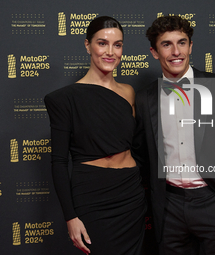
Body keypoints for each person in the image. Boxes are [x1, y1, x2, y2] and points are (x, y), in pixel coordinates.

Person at [133, 15, 215, 255]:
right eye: (166, 44)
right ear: (154, 52)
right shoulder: (145, 98)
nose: (176, 51)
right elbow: (141, 156)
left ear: (191, 46)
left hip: (213, 201)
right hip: (169, 207)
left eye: (182, 42)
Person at [44, 16, 146, 255]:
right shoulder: (63, 99)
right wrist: (71, 216)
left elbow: (138, 146)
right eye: (102, 43)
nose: (111, 52)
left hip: (130, 196)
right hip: (92, 196)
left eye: (117, 45)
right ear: (87, 45)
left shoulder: (129, 93)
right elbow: (59, 162)